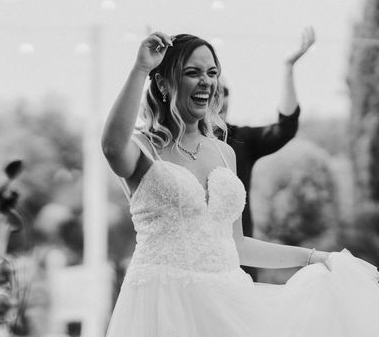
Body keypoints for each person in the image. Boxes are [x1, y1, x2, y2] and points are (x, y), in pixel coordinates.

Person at [102, 31, 379, 336]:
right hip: (162, 302)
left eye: (212, 73)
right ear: (164, 84)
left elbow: (236, 245)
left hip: (227, 300)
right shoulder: (143, 148)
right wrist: (140, 69)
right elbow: (112, 147)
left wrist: (313, 257)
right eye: (192, 73)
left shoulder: (224, 152)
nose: (206, 81)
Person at [220, 26, 315, 280]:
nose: (220, 98)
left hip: (241, 259)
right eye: (213, 91)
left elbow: (285, 127)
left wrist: (288, 67)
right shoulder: (180, 143)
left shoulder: (243, 140)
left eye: (225, 91)